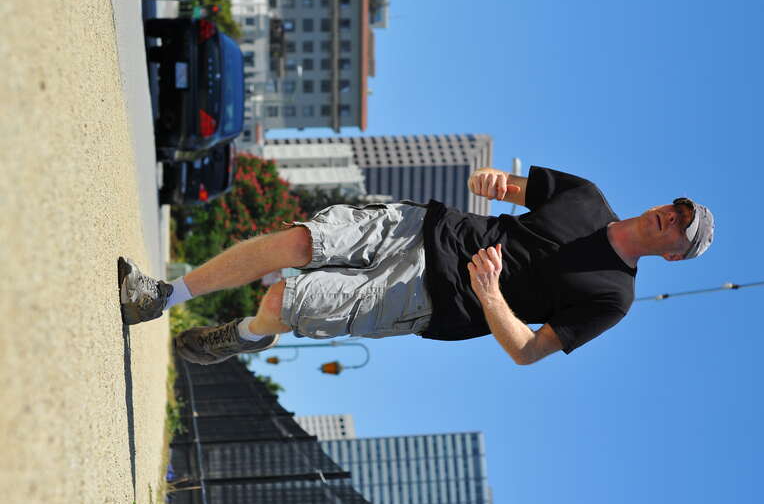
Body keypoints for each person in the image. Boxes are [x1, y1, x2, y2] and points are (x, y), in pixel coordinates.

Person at [119, 165, 714, 366]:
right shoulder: (585, 195)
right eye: (676, 207)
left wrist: (490, 295)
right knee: (302, 240)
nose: (670, 216)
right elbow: (506, 185)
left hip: (435, 299)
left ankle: (244, 336)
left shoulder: (614, 297)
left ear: (672, 254)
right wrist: (492, 182)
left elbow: (528, 351)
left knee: (281, 305)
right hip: (424, 224)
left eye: (679, 227)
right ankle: (162, 296)